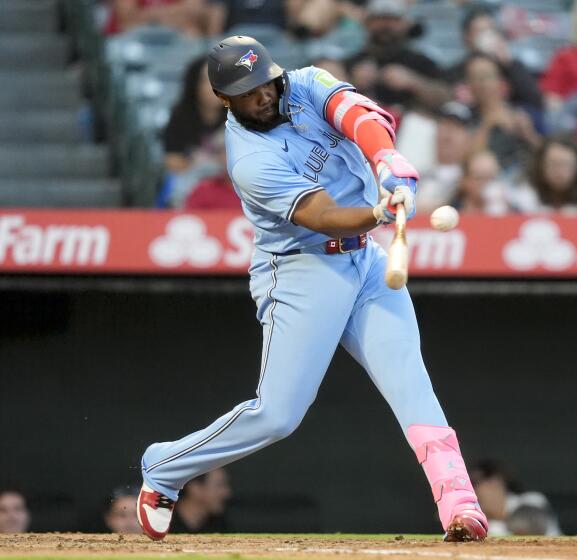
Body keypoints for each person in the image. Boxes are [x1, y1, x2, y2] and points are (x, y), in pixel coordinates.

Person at [135, 36, 488, 543]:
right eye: (247, 91)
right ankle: (165, 465)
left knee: (410, 381)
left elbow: (359, 115)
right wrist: (378, 211)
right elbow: (320, 216)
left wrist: (386, 160)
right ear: (224, 99)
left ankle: (459, 502)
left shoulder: (303, 82)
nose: (263, 96)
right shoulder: (248, 159)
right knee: (277, 415)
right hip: (302, 270)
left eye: (265, 83)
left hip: (365, 261)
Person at [344, 0, 450, 116]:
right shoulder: (351, 62)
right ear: (367, 23)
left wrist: (413, 82)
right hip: (362, 122)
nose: (386, 25)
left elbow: (446, 99)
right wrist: (352, 83)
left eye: (393, 19)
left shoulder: (421, 61)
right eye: (379, 19)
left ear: (406, 24)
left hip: (411, 126)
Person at [161, 57, 228, 207]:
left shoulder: (238, 117)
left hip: (227, 183)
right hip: (191, 182)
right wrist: (201, 166)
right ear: (194, 84)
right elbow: (172, 160)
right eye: (206, 81)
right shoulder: (180, 116)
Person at [449, 7, 544, 112]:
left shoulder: (510, 66)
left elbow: (535, 101)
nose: (486, 36)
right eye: (480, 31)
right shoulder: (456, 71)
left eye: (490, 30)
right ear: (466, 37)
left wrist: (509, 64)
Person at [465, 53, 542, 174]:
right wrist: (488, 124)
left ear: (500, 81)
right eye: (476, 78)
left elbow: (548, 155)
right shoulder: (463, 116)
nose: (483, 84)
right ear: (469, 85)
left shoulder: (523, 113)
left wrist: (528, 134)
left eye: (487, 76)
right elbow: (465, 162)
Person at [407, 102, 473, 213]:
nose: (449, 133)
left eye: (457, 127)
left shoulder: (472, 178)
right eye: (445, 125)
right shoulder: (414, 174)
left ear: (468, 138)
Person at [469, 460, 560, 537]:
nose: (472, 489)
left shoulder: (532, 500)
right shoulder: (492, 525)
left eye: (475, 483)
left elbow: (532, 530)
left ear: (494, 482)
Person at [520, 136, 577, 213]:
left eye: (566, 164)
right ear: (541, 165)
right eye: (553, 164)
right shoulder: (526, 193)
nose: (559, 171)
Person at [105, 0, 219, 36]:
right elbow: (127, 19)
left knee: (192, 32)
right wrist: (174, 15)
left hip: (175, 36)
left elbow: (195, 11)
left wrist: (151, 16)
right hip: (131, 38)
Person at [169, 469, 231, 533]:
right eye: (219, 485)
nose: (227, 493)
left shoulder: (220, 526)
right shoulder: (162, 524)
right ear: (195, 489)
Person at [454, 151, 511, 215]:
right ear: (464, 180)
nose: (488, 183)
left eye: (493, 178)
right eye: (480, 178)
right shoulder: (452, 215)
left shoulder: (514, 215)